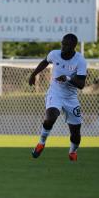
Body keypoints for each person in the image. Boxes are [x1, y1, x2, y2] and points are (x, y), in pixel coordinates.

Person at [29, 33, 87, 161]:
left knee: (76, 132)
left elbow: (81, 84)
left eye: (67, 45)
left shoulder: (80, 61)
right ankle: (41, 143)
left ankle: (73, 151)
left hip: (71, 98)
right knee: (51, 117)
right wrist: (33, 74)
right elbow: (45, 62)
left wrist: (67, 78)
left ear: (73, 46)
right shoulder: (54, 54)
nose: (63, 47)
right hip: (55, 93)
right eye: (62, 44)